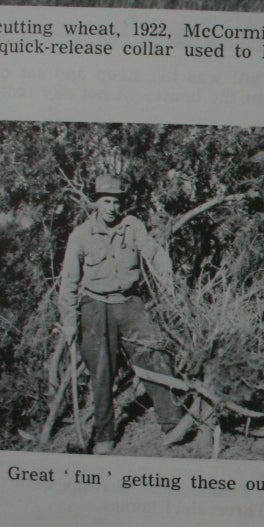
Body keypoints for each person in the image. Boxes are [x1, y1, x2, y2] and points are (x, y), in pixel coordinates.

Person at [56, 173, 187, 454]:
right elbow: (68, 282)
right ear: (96, 204)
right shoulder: (80, 235)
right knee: (102, 370)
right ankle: (104, 435)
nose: (112, 208)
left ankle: (172, 422)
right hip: (95, 305)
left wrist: (169, 280)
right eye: (106, 201)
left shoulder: (132, 226)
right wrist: (69, 323)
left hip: (129, 303)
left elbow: (153, 253)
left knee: (153, 353)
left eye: (116, 202)